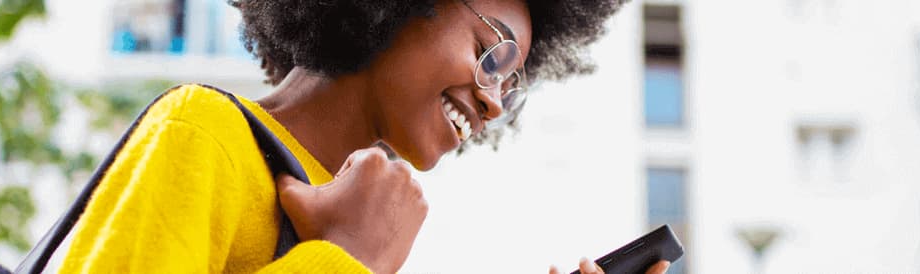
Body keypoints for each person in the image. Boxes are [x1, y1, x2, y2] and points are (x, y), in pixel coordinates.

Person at [59, 0, 669, 273]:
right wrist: (345, 259)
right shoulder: (202, 131)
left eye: (510, 87)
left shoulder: (372, 217)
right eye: (489, 53)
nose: (490, 100)